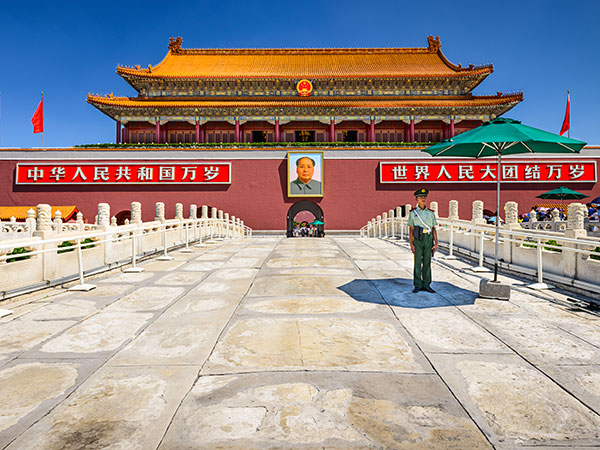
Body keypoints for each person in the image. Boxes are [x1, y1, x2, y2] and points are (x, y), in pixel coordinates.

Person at [408, 188, 438, 294]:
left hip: (428, 238)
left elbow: (433, 228)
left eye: (424, 197)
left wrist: (436, 243)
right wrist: (411, 243)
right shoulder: (413, 213)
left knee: (427, 262)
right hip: (417, 239)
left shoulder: (430, 213)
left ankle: (426, 284)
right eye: (420, 197)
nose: (423, 199)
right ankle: (417, 285)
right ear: (416, 199)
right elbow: (411, 229)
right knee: (417, 262)